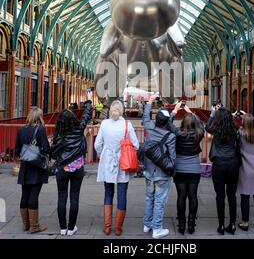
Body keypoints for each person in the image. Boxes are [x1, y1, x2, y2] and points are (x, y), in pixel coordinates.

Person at [94, 100, 139, 236]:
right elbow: (136, 144)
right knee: (122, 194)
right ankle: (118, 228)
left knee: (108, 193)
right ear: (122, 110)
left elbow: (97, 144)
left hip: (108, 162)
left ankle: (107, 227)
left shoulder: (104, 124)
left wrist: (102, 154)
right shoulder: (127, 124)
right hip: (123, 163)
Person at [51, 92, 93, 236]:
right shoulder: (79, 128)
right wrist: (88, 103)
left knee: (61, 196)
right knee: (74, 197)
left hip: (62, 168)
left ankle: (63, 228)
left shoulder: (58, 134)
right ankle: (71, 227)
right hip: (77, 168)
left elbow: (53, 152)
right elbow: (87, 115)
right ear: (72, 119)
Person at [167, 102, 205, 234]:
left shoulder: (178, 133)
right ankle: (191, 223)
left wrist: (175, 111)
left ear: (183, 123)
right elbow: (201, 125)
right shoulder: (199, 133)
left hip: (180, 170)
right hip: (194, 169)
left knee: (181, 196)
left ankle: (181, 224)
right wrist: (192, 114)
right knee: (193, 196)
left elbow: (168, 124)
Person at [142, 94, 176, 239]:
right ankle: (157, 228)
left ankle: (147, 224)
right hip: (162, 173)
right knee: (160, 201)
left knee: (149, 197)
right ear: (167, 122)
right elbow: (172, 157)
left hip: (149, 171)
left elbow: (145, 118)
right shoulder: (170, 136)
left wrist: (149, 102)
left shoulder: (149, 128)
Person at [205, 106, 240, 235]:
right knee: (232, 195)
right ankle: (232, 224)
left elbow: (207, 127)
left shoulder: (216, 129)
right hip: (232, 162)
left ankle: (220, 224)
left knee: (220, 196)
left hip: (219, 163)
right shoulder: (235, 129)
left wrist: (212, 114)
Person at [15, 107, 50, 233]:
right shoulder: (40, 129)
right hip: (36, 168)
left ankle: (25, 225)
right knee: (34, 195)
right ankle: (34, 226)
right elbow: (46, 149)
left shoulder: (21, 129)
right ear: (39, 116)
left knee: (25, 195)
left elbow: (17, 150)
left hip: (25, 167)